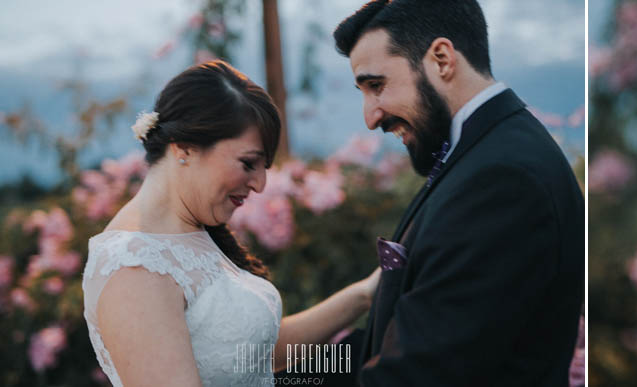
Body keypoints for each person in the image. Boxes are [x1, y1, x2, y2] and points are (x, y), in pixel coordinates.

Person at [331, 0, 584, 385]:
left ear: (443, 59)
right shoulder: (482, 155)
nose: (370, 117)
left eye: (377, 85)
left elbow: (417, 372)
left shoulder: (503, 179)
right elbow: (387, 340)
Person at [82, 60, 380, 386]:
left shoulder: (193, 230)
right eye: (249, 163)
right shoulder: (135, 266)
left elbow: (252, 353)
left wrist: (365, 294)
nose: (261, 184)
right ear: (185, 148)